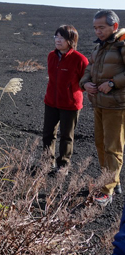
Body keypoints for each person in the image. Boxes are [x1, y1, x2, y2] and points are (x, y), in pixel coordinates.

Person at [80, 10, 125, 206]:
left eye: (102, 27)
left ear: (114, 27)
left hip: (117, 106)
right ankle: (111, 181)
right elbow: (90, 68)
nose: (98, 31)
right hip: (98, 103)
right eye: (95, 28)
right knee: (100, 144)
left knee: (112, 148)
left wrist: (114, 83)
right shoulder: (99, 48)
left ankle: (107, 190)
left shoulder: (122, 44)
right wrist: (85, 83)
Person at [42, 25, 88, 173]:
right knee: (48, 134)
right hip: (51, 102)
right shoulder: (51, 56)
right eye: (56, 37)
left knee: (67, 136)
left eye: (62, 37)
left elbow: (85, 81)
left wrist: (71, 92)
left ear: (71, 40)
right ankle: (47, 163)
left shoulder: (79, 59)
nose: (58, 40)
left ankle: (63, 165)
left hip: (70, 105)